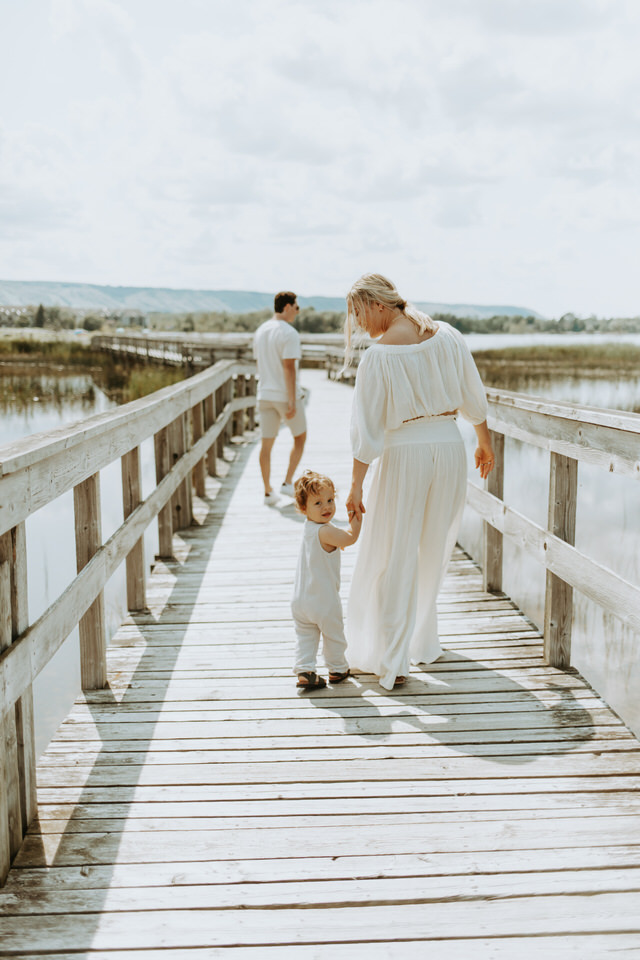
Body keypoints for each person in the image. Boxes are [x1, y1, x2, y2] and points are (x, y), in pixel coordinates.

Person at [344, 273, 495, 691]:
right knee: (432, 547)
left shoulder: (379, 357)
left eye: (358, 314)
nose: (358, 325)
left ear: (378, 305)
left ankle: (392, 658)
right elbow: (472, 391)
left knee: (393, 551)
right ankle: (420, 639)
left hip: (406, 452)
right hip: (449, 449)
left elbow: (367, 430)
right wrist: (484, 441)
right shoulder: (448, 336)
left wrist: (356, 486)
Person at [291, 470, 361, 690]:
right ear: (304, 509)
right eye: (318, 503)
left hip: (301, 600)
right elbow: (349, 538)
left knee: (306, 636)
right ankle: (338, 668)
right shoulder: (325, 531)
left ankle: (305, 669)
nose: (326, 507)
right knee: (334, 635)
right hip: (323, 600)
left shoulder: (309, 528)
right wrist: (356, 518)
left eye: (330, 500)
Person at [253, 291, 307, 505]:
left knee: (266, 444)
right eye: (296, 307)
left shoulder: (260, 331)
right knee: (300, 438)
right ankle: (286, 483)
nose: (297, 311)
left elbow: (260, 363)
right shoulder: (289, 333)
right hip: (284, 396)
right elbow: (289, 368)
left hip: (264, 393)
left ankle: (267, 492)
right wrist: (292, 400)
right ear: (287, 307)